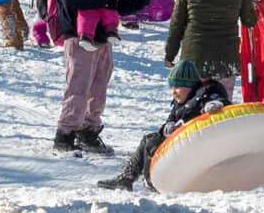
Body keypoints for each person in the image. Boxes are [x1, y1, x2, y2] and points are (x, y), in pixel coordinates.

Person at [48, 0, 124, 155]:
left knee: (99, 87)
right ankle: (65, 136)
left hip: (103, 38)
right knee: (78, 87)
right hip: (78, 37)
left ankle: (88, 132)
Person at [95, 60, 234, 191]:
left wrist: (217, 105)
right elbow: (169, 121)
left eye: (178, 86)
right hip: (183, 146)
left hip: (199, 148)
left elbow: (223, 103)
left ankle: (154, 182)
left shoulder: (205, 94)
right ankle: (127, 178)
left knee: (150, 142)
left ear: (190, 86)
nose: (173, 91)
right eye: (172, 87)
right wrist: (167, 128)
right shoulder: (179, 103)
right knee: (149, 140)